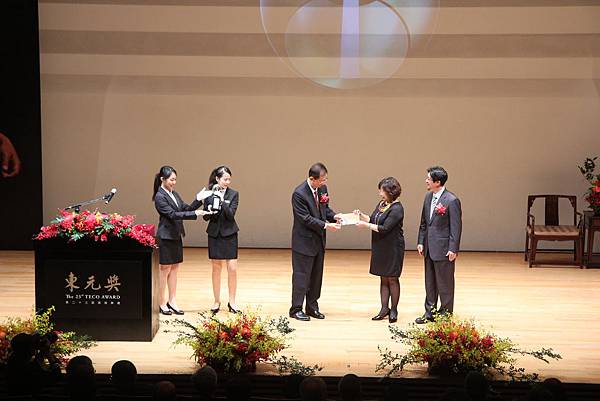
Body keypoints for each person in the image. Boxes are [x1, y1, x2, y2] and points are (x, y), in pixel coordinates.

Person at [153, 165, 212, 315]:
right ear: (162, 179)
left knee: (174, 269)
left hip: (176, 235)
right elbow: (172, 214)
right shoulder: (160, 197)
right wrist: (196, 213)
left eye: (175, 179)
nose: (174, 182)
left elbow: (184, 208)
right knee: (164, 270)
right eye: (171, 179)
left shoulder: (174, 193)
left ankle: (172, 301)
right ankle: (160, 302)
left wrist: (198, 200)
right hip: (165, 237)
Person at [290, 163, 342, 321]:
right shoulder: (299, 194)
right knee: (301, 276)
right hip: (304, 242)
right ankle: (296, 308)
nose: (324, 182)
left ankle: (312, 306)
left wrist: (335, 216)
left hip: (319, 240)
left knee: (316, 276)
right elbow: (305, 219)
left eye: (325, 179)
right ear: (312, 179)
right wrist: (326, 225)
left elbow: (325, 210)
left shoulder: (322, 189)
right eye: (321, 180)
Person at [415, 166, 462, 324]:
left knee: (445, 283)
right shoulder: (428, 197)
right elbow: (424, 223)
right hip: (429, 247)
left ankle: (445, 314)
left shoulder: (451, 200)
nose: (426, 181)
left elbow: (456, 226)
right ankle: (430, 312)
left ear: (438, 182)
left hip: (443, 248)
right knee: (430, 282)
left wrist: (453, 248)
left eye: (429, 178)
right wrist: (421, 241)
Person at [354, 177, 405, 323]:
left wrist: (365, 226)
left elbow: (385, 228)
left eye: (382, 190)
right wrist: (361, 216)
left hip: (393, 247)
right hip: (380, 246)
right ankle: (384, 308)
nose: (379, 193)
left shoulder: (397, 208)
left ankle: (394, 309)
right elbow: (373, 219)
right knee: (383, 278)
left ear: (390, 191)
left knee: (392, 278)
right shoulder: (382, 204)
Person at [203, 166, 241, 314]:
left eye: (229, 179)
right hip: (214, 234)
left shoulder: (234, 194)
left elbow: (231, 215)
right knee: (216, 268)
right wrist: (209, 210)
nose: (227, 182)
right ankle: (216, 301)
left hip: (230, 234)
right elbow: (206, 217)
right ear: (217, 179)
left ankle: (232, 301)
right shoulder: (208, 193)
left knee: (232, 268)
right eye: (225, 179)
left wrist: (222, 200)